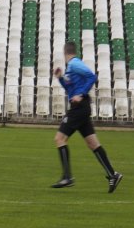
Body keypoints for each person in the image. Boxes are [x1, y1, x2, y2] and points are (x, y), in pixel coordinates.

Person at [51, 41, 123, 193]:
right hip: (81, 108)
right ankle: (113, 174)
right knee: (92, 143)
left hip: (79, 108)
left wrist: (81, 94)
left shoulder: (75, 64)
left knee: (59, 139)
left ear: (65, 53)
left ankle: (67, 177)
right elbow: (70, 89)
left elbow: (92, 77)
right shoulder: (70, 68)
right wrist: (61, 78)